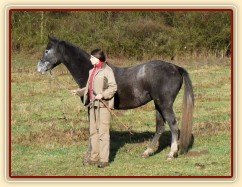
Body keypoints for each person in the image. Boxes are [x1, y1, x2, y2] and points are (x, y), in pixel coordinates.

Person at [71, 49, 117, 168]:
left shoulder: (107, 71)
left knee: (103, 132)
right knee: (93, 132)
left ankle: (104, 160)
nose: (90, 59)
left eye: (92, 57)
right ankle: (94, 157)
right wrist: (78, 92)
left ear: (98, 58)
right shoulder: (92, 71)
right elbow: (88, 88)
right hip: (92, 105)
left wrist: (103, 95)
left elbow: (113, 87)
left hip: (103, 106)